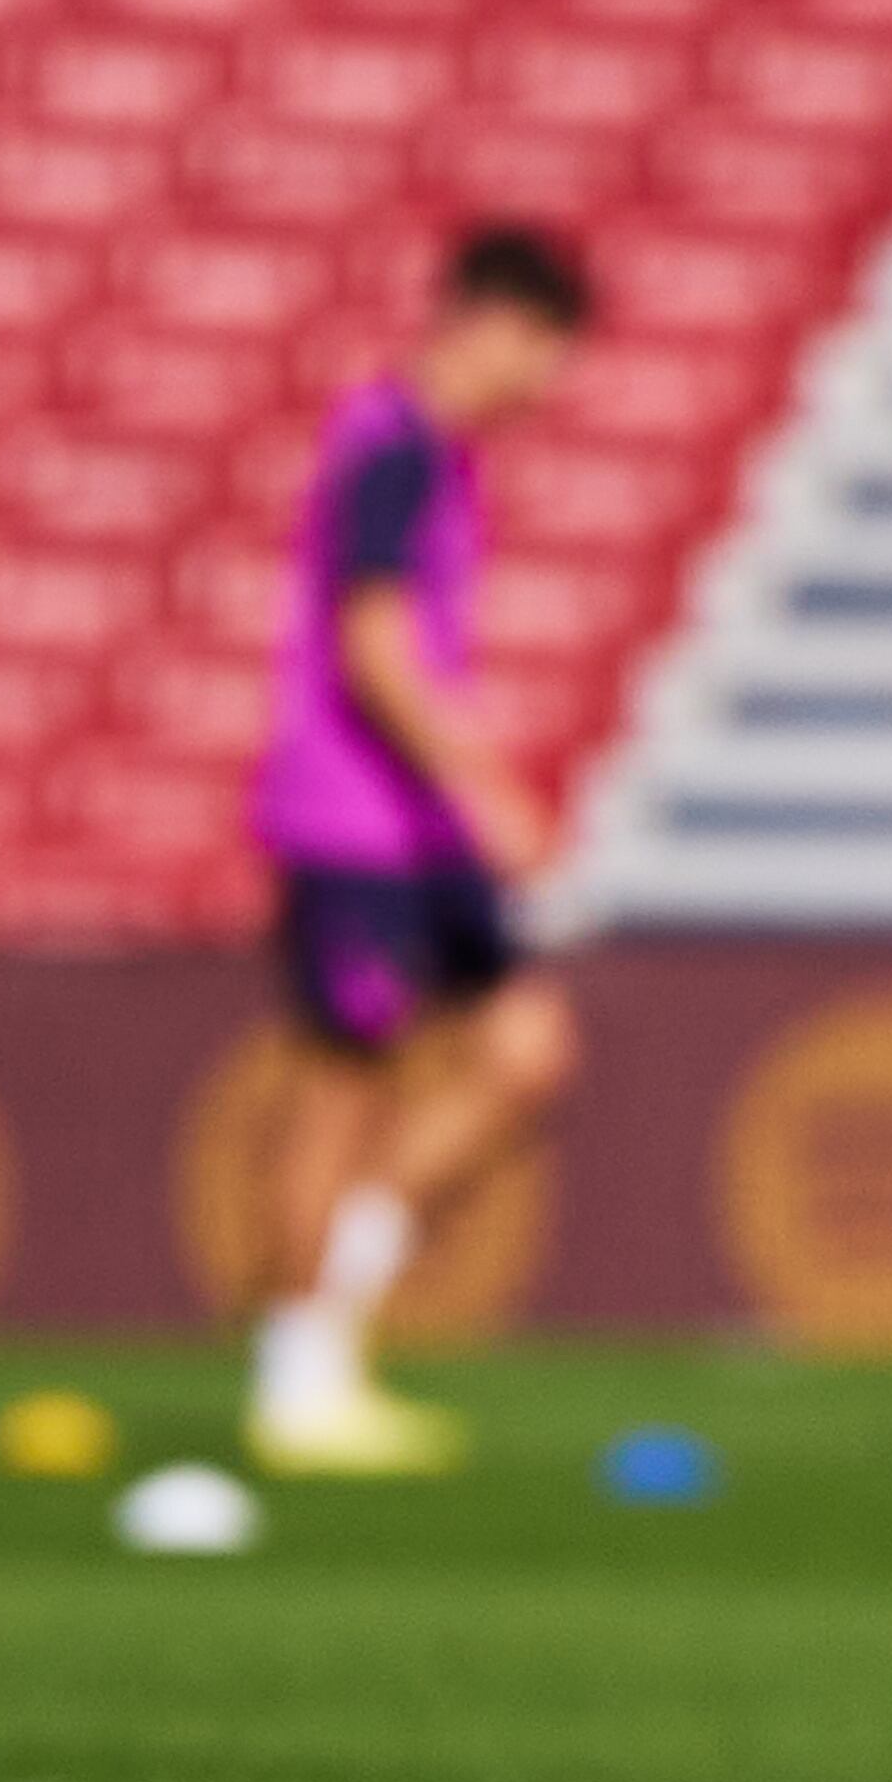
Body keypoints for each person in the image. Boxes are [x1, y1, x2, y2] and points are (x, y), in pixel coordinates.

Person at [241, 224, 592, 1478]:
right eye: (549, 352)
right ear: (496, 324)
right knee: (345, 1086)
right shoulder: (387, 445)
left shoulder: (438, 459)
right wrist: (484, 783)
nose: (548, 385)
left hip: (419, 832)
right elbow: (374, 643)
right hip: (355, 822)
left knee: (525, 1048)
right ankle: (296, 1374)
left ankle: (335, 1320)